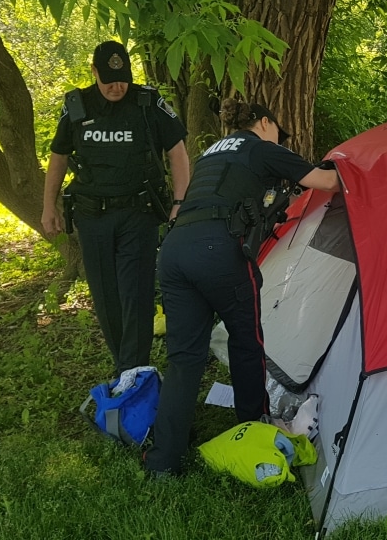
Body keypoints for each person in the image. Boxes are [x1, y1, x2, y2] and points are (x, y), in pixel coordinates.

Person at [143, 99, 340, 475]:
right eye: (277, 132)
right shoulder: (263, 149)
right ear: (265, 122)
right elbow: (328, 181)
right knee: (247, 344)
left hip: (174, 251)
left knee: (184, 358)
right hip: (219, 252)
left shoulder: (210, 154)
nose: (279, 141)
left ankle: (164, 461)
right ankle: (254, 430)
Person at [41, 40, 190, 376]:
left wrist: (179, 202)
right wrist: (48, 206)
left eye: (121, 78)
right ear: (94, 72)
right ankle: (126, 367)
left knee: (136, 295)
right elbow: (59, 157)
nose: (116, 86)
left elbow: (177, 151)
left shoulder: (147, 101)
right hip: (92, 217)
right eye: (108, 79)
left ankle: (133, 371)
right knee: (106, 297)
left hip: (138, 214)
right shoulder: (77, 105)